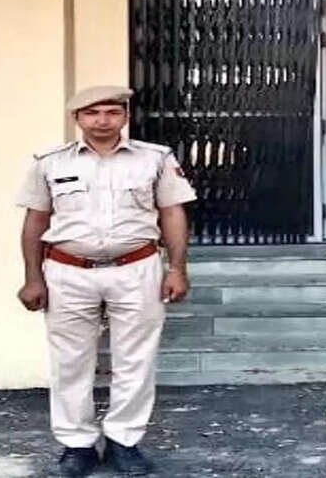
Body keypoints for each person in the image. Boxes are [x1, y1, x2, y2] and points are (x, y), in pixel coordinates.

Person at [15, 86, 197, 477]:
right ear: (77, 119)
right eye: (92, 113)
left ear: (125, 116)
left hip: (136, 268)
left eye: (112, 112)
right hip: (68, 271)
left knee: (136, 359)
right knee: (70, 361)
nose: (102, 120)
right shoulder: (49, 162)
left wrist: (177, 268)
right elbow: (35, 221)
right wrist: (32, 277)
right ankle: (77, 445)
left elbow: (172, 214)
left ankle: (123, 442)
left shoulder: (155, 159)